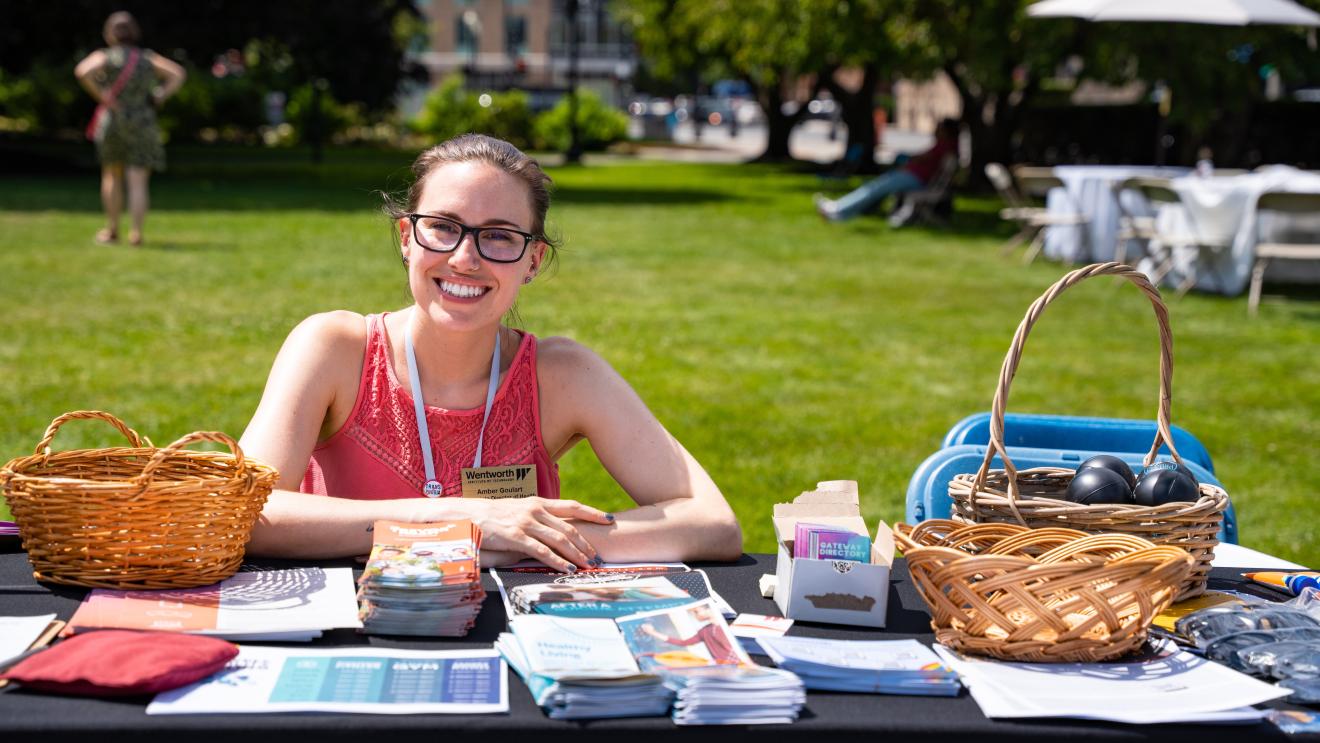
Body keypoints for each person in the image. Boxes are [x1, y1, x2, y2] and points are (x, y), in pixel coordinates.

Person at [238, 134, 742, 571]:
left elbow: (713, 524)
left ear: (533, 260)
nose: (464, 258)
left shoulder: (562, 374)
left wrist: (524, 538)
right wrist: (463, 522)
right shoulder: (334, 347)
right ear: (406, 238)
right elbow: (245, 513)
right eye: (443, 226)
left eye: (499, 236)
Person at [74, 11, 186, 246]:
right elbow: (177, 73)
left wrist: (104, 98)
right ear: (134, 32)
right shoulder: (146, 58)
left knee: (112, 176)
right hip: (143, 121)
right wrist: (159, 96)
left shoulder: (107, 57)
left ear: (109, 34)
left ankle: (112, 230)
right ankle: (136, 233)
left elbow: (82, 71)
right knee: (138, 180)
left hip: (113, 121)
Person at [814, 118, 960, 222]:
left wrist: (908, 158)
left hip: (915, 178)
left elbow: (921, 158)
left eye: (939, 127)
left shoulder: (944, 146)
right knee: (875, 189)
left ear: (946, 131)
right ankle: (842, 212)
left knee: (873, 189)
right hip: (913, 177)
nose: (936, 129)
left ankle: (837, 208)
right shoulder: (947, 146)